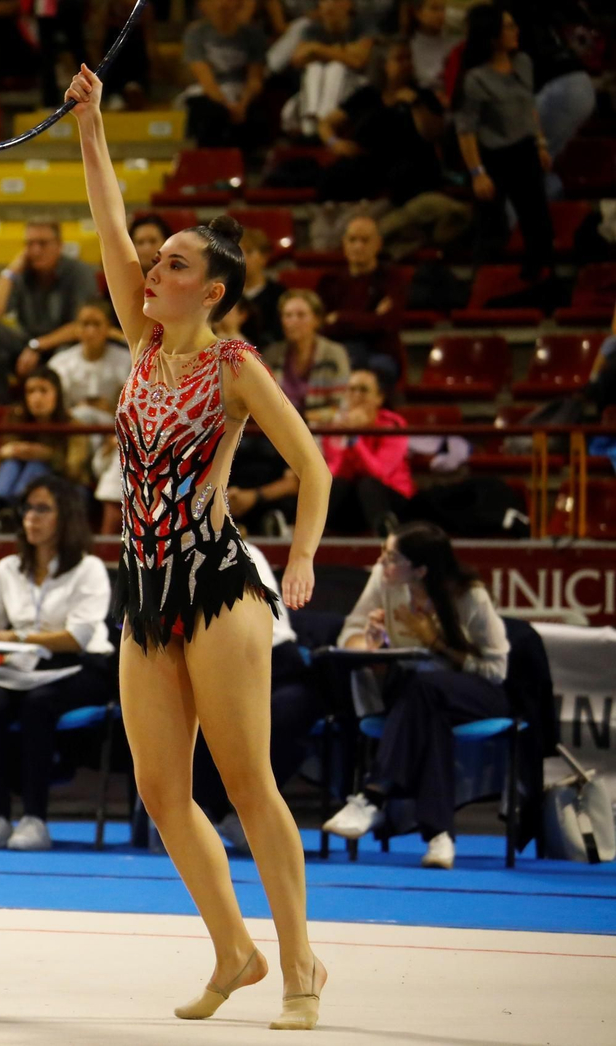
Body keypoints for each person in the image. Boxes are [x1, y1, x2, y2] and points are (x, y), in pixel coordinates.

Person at [67, 61, 332, 1029]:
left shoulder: (233, 364)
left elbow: (313, 465)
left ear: (212, 289)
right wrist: (91, 126)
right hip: (144, 590)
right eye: (156, 260)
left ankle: (301, 964)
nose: (153, 270)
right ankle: (234, 950)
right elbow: (108, 219)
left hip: (218, 584)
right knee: (158, 790)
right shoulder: (141, 344)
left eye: (175, 265)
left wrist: (299, 558)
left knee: (249, 784)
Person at [324, 522, 511, 869]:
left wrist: (436, 643)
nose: (381, 562)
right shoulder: (384, 580)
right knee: (428, 711)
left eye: (392, 557)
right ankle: (440, 837)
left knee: (424, 688)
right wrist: (371, 643)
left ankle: (373, 795)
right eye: (383, 553)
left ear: (421, 570)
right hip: (418, 697)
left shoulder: (469, 595)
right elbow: (350, 632)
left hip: (477, 693)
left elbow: (496, 670)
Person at [0, 475, 115, 850]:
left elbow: (77, 637)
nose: (31, 517)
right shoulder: (9, 568)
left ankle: (34, 818)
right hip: (26, 666)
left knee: (38, 704)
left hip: (83, 664)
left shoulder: (89, 568)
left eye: (42, 509)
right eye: (27, 509)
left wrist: (15, 637)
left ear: (67, 516)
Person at [190, 540, 320, 854]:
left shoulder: (240, 549)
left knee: (286, 718)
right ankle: (216, 809)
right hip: (215, 664)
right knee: (197, 721)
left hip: (277, 663)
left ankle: (240, 808)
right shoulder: (162, 553)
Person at [454, 5, 553, 282]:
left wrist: (540, 143)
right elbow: (466, 130)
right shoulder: (475, 79)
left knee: (538, 222)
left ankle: (539, 281)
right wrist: (478, 173)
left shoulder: (523, 63)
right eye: (508, 27)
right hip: (494, 157)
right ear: (492, 35)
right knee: (491, 227)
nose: (516, 31)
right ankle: (483, 282)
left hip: (525, 150)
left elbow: (528, 106)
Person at [0, 221, 96, 405]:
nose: (35, 250)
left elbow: (82, 325)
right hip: (28, 347)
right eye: (30, 244)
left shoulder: (79, 273)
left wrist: (37, 346)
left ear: (59, 245)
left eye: (42, 243)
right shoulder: (21, 273)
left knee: (68, 351)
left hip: (65, 346)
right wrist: (10, 271)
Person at [318, 41, 445, 205]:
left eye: (409, 58)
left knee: (406, 175)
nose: (407, 64)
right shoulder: (367, 94)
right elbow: (325, 123)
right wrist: (334, 143)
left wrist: (416, 105)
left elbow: (434, 133)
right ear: (383, 65)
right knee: (332, 177)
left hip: (411, 161)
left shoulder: (423, 95)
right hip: (371, 161)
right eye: (400, 59)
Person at [0, 368, 81, 530]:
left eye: (43, 391)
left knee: (36, 464)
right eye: (31, 391)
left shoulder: (73, 425)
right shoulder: (15, 419)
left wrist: (48, 455)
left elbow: (75, 471)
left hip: (60, 487)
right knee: (10, 463)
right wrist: (3, 454)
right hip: (13, 484)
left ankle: (16, 511)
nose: (36, 398)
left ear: (57, 394)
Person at [323, 367, 413, 536]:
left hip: (389, 497)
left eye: (363, 390)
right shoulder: (335, 428)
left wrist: (354, 438)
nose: (356, 395)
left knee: (368, 484)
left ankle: (387, 536)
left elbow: (378, 473)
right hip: (351, 499)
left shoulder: (393, 425)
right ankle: (300, 531)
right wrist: (346, 436)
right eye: (351, 389)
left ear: (379, 398)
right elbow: (337, 473)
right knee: (335, 485)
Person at [182, 0, 268, 150]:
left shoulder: (253, 35)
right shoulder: (196, 33)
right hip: (209, 94)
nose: (223, 2)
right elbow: (206, 80)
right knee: (209, 113)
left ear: (240, 0)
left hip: (241, 93)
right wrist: (228, 107)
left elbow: (255, 79)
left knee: (257, 115)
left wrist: (242, 105)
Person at [315, 216, 407, 375]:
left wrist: (340, 318)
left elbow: (388, 322)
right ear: (344, 243)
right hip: (338, 352)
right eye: (352, 240)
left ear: (378, 244)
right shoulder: (329, 281)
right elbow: (320, 326)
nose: (358, 246)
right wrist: (372, 318)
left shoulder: (392, 279)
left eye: (365, 240)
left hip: (379, 353)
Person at [288, 0, 374, 138]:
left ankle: (324, 124)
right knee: (315, 68)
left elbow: (359, 62)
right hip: (320, 91)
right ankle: (312, 124)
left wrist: (317, 49)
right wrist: (343, 51)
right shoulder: (312, 29)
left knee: (336, 68)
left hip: (355, 91)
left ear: (349, 2)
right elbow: (297, 60)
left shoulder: (361, 26)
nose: (329, 4)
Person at [263, 289, 351, 424]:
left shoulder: (334, 354)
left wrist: (305, 418)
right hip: (278, 426)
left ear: (317, 320)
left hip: (321, 427)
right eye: (288, 315)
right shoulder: (272, 354)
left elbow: (341, 405)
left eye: (301, 315)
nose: (293, 321)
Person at [48, 301, 132, 417]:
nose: (91, 331)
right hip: (72, 424)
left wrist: (112, 409)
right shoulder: (59, 363)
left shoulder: (127, 361)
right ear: (76, 327)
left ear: (108, 327)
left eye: (97, 324)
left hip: (114, 424)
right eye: (85, 324)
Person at [237, 227, 286, 348]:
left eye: (249, 252)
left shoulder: (278, 295)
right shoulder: (226, 293)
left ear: (264, 257)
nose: (242, 258)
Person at [408, 0, 458, 94]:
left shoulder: (455, 44)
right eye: (434, 9)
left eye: (442, 9)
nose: (440, 14)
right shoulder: (409, 47)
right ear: (418, 13)